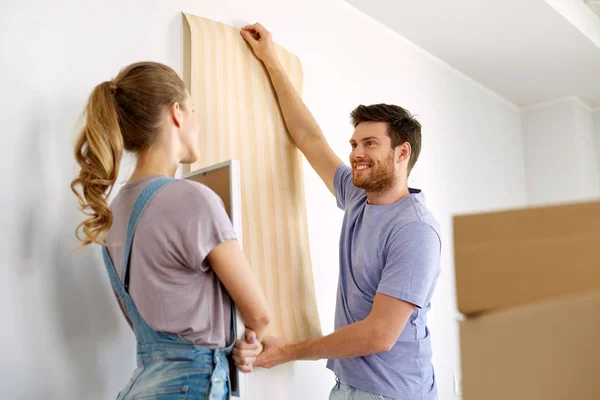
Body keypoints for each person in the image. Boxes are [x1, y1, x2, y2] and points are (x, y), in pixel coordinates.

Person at [234, 24, 442, 400]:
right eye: (354, 143)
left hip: (392, 394)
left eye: (370, 143)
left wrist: (291, 351)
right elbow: (308, 137)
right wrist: (271, 61)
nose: (356, 153)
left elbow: (379, 335)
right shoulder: (357, 195)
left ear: (402, 152)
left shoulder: (415, 231)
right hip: (349, 387)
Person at [71, 61, 268, 400]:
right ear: (176, 112)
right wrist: (250, 339)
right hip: (189, 387)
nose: (197, 121)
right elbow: (259, 313)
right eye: (193, 109)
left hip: (142, 386)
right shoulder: (193, 198)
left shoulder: (114, 211)